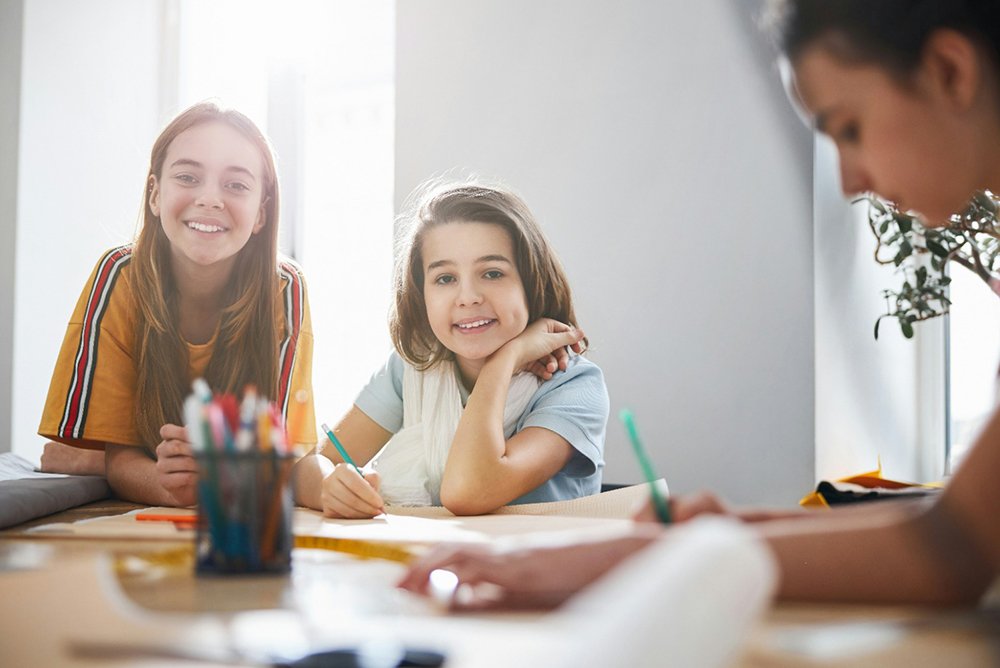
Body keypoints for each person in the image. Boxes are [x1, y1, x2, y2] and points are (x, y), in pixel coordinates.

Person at [399, 0, 1000, 607]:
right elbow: (957, 537)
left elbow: (952, 552)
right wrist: (717, 538)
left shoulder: (569, 382)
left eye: (849, 128)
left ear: (950, 72)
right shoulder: (416, 373)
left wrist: (621, 564)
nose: (848, 181)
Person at [38, 101, 317, 507]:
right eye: (187, 177)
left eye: (236, 185)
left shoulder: (285, 288)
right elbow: (122, 459)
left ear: (261, 212)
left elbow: (281, 459)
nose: (210, 199)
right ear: (155, 194)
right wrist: (162, 481)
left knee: (78, 455)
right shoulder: (119, 275)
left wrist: (104, 461)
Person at [292, 181, 608, 517]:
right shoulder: (412, 367)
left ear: (531, 283)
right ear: (421, 295)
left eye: (492, 273)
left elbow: (468, 491)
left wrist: (503, 361)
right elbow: (304, 472)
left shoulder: (575, 386)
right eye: (445, 278)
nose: (468, 297)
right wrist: (327, 486)